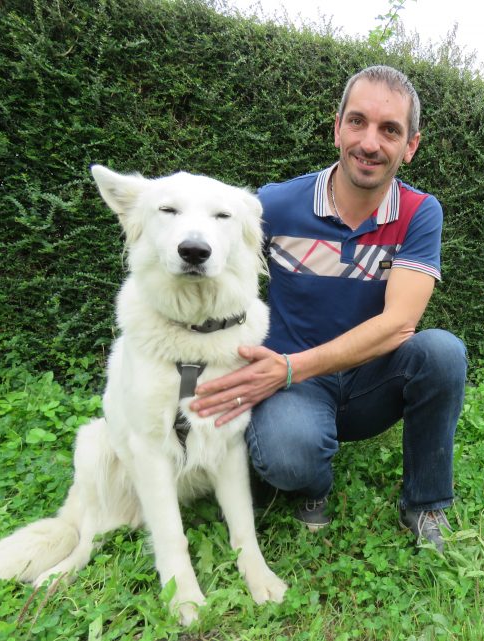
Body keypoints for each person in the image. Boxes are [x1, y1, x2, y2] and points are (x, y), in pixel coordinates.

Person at [190, 65, 467, 552]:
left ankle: (425, 502)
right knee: (290, 458)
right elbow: (216, 283)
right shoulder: (274, 204)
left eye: (390, 130)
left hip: (365, 381)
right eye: (357, 121)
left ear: (411, 146)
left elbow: (399, 324)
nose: (370, 142)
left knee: (442, 353)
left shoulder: (421, 212)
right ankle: (311, 483)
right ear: (336, 126)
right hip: (292, 385)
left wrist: (291, 369)